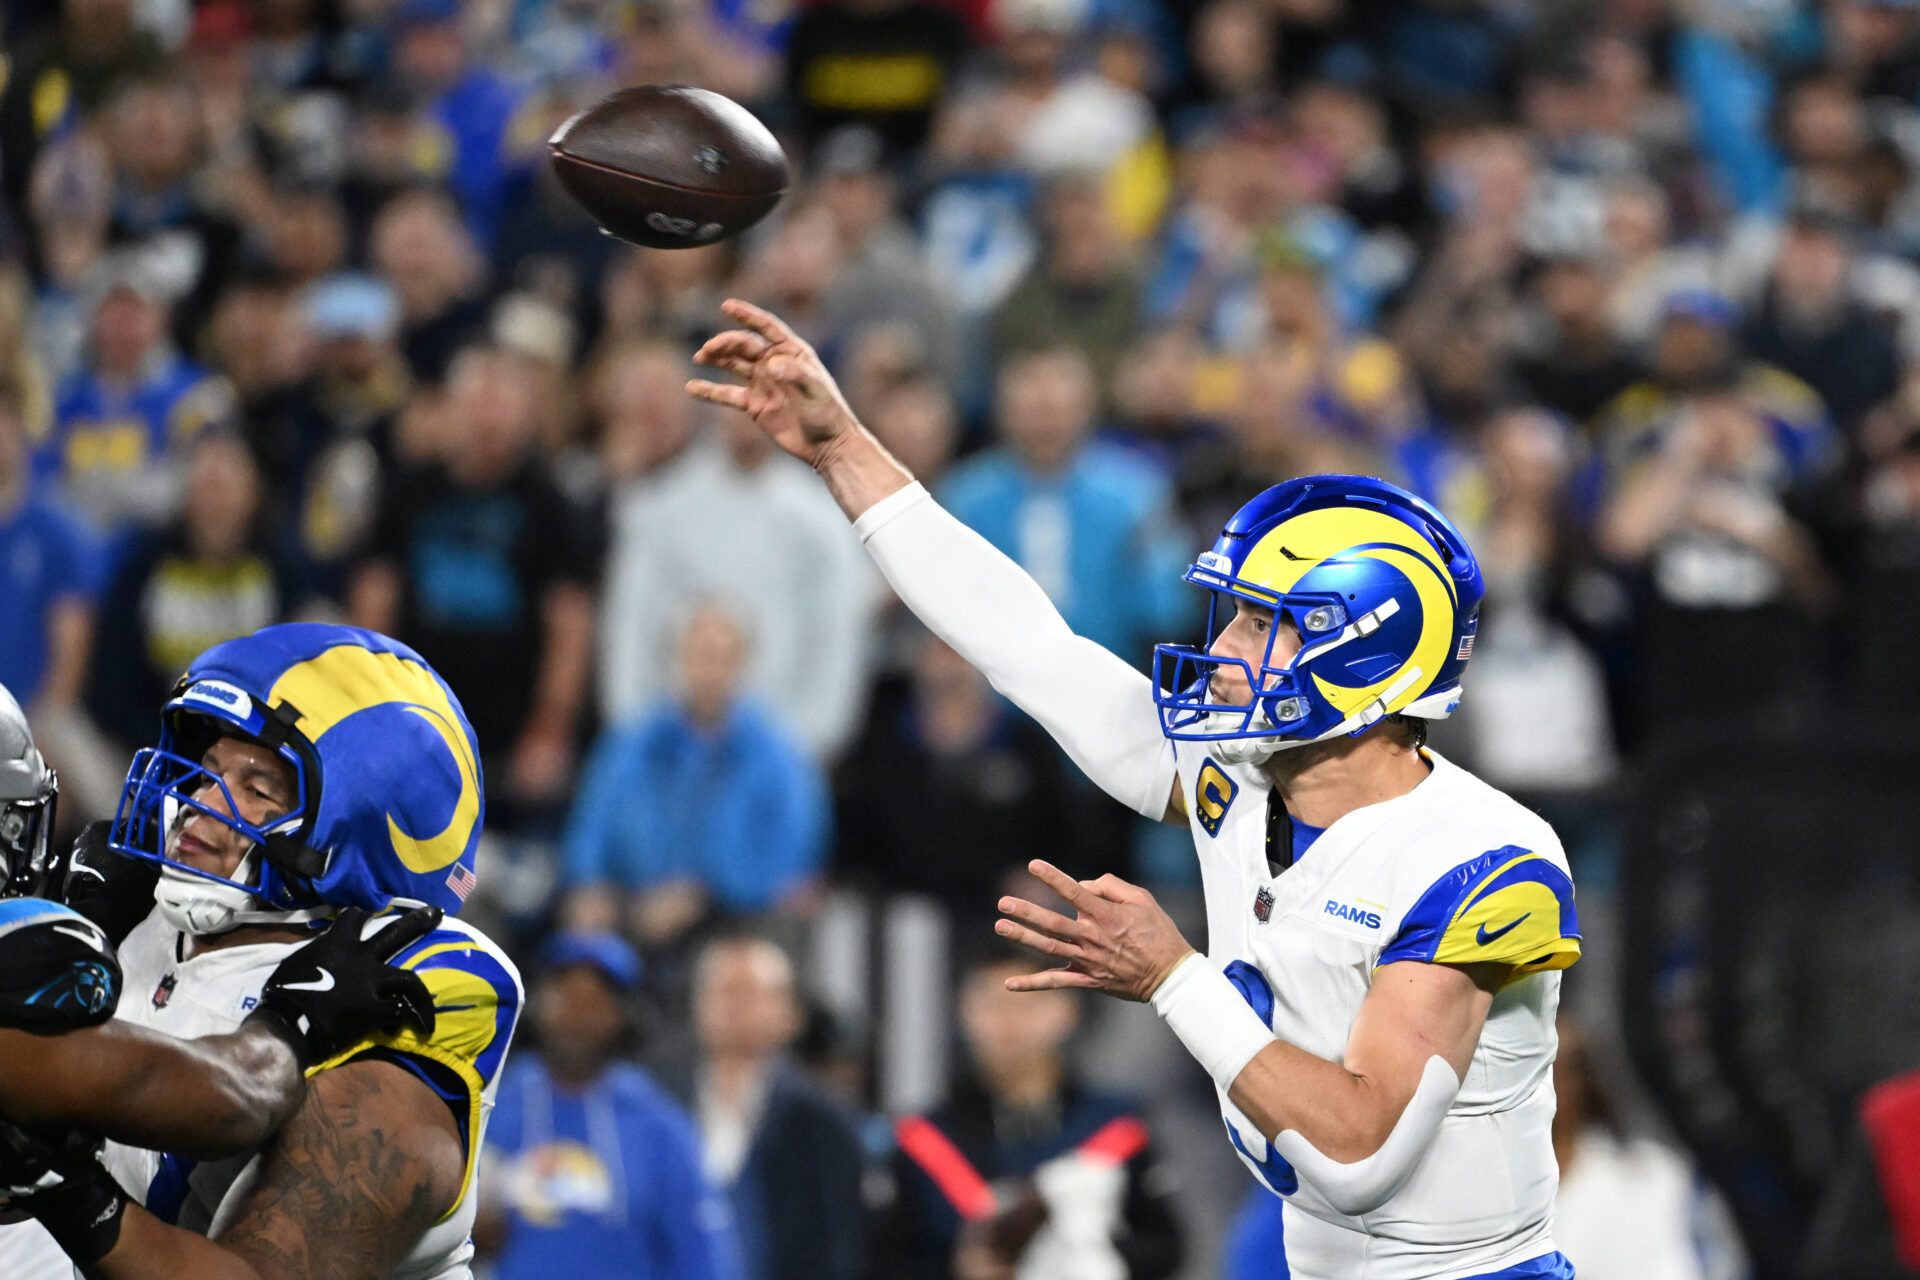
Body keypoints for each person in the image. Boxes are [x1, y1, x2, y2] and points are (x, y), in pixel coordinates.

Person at [688, 299, 1583, 1278]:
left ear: (1365, 648)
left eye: (1259, 623)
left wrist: (1172, 974)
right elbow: (1023, 643)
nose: (1222, 650)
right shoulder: (1238, 782)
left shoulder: (1484, 858)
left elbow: (1357, 1154)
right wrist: (844, 449)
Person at [0, 622, 525, 1280]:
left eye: (257, 788)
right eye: (211, 771)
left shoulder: (411, 977)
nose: (199, 803)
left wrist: (62, 1185)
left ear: (361, 832)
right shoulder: (135, 916)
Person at [872, 939, 1185, 1280]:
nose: (1009, 1021)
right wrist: (955, 1268)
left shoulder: (1118, 1127)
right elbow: (881, 1259)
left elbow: (1168, 1247)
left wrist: (1094, 1256)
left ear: (1067, 1012)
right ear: (963, 1010)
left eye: (1028, 1003)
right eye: (992, 1004)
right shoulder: (922, 1140)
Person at [562, 606, 829, 949]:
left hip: (736, 920)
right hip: (632, 912)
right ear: (678, 658)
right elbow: (590, 827)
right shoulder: (630, 744)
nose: (709, 669)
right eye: (699, 653)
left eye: (721, 655)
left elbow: (794, 859)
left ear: (743, 664)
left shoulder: (779, 758)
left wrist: (703, 893)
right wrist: (589, 884)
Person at [478, 932, 740, 1280]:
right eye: (564, 998)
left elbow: (703, 1257)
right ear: (539, 1006)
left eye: (594, 1002)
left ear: (625, 1016)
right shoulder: (488, 1107)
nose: (577, 1016)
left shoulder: (660, 1125)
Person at [684, 933, 867, 1280]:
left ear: (790, 1015)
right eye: (722, 990)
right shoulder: (662, 1111)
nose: (734, 1005)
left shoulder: (825, 1121)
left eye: (750, 993)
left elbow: (840, 1246)